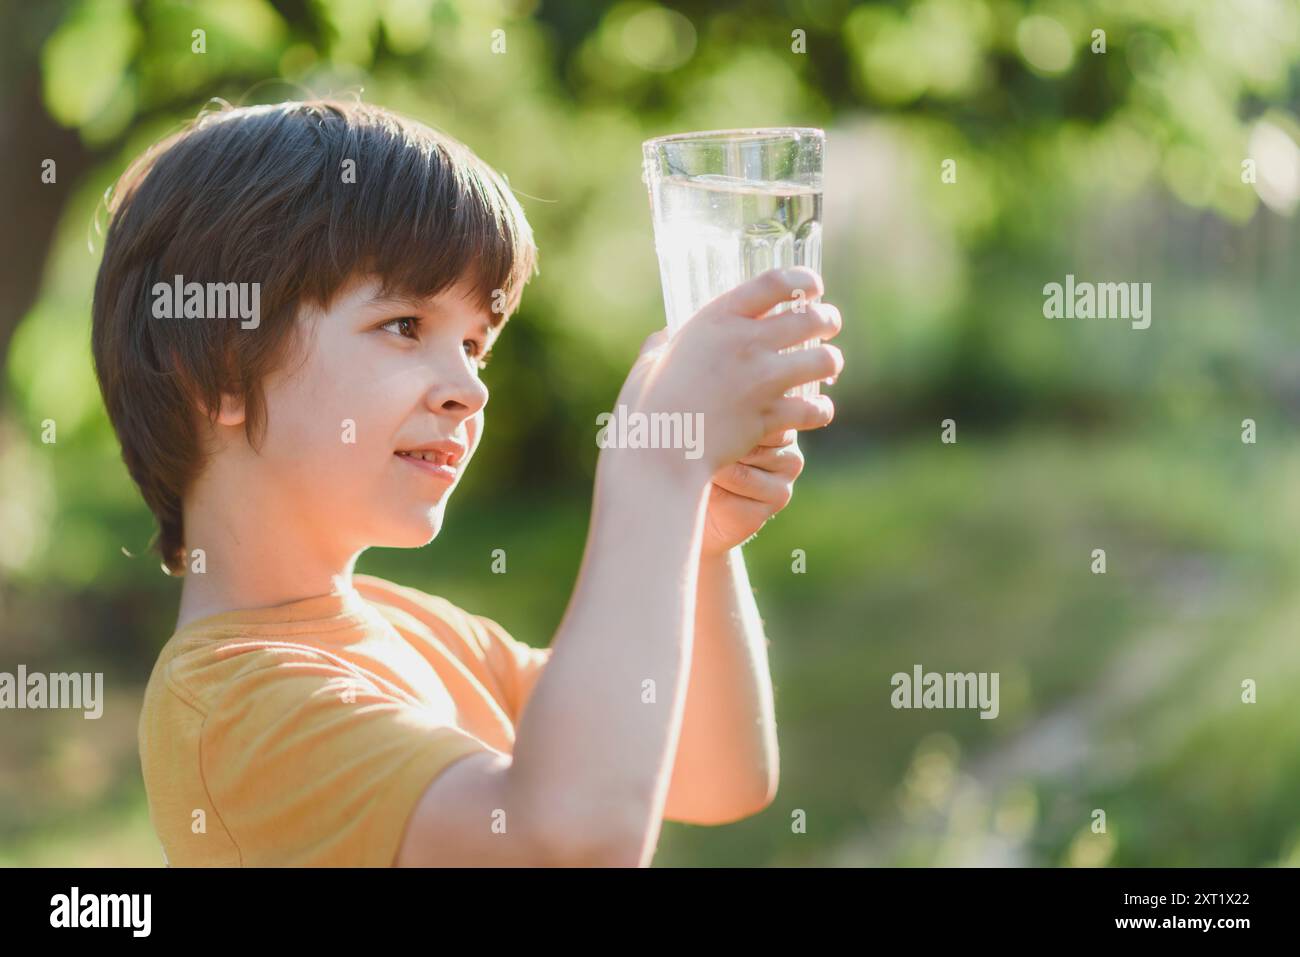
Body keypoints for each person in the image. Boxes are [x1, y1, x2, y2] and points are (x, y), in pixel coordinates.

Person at [91, 98, 844, 866]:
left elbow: (715, 772)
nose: (469, 388)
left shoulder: (423, 630)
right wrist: (654, 469)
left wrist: (698, 539)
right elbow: (566, 843)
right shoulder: (230, 706)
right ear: (220, 371)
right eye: (405, 325)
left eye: (476, 343)